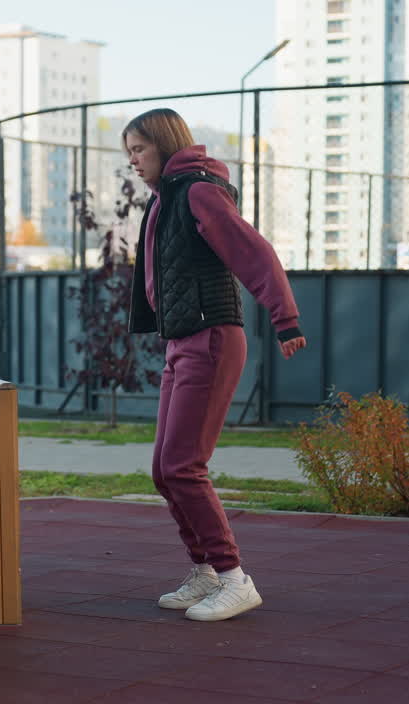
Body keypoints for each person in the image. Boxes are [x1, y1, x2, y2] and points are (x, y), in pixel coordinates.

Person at [124, 108, 306, 622]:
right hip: (182, 343)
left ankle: (234, 579)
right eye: (129, 153)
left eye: (139, 149)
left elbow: (254, 252)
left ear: (162, 144)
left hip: (211, 340)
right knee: (164, 469)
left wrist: (284, 318)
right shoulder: (167, 198)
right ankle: (204, 571)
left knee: (184, 466)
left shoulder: (199, 191)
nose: (133, 161)